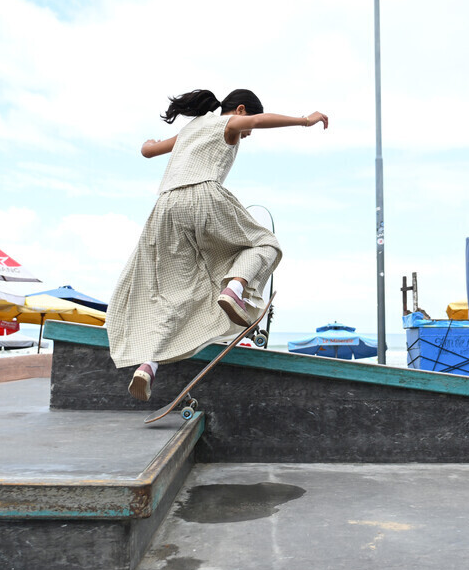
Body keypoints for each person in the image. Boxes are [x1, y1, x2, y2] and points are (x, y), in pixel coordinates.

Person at [106, 88, 328, 400]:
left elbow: (149, 151)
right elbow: (261, 120)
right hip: (203, 197)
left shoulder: (189, 130)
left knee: (175, 293)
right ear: (239, 110)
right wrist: (305, 120)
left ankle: (148, 365)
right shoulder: (227, 123)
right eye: (246, 126)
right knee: (266, 244)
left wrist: (149, 144)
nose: (247, 133)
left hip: (165, 210)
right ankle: (235, 288)